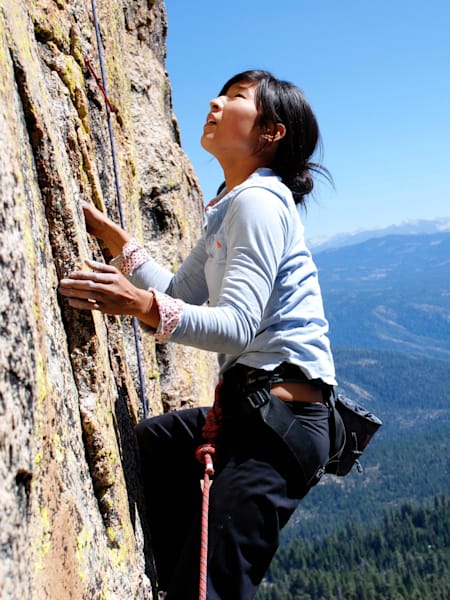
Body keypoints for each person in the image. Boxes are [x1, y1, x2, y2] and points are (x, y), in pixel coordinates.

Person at [59, 69, 337, 600]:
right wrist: (122, 246)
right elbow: (180, 291)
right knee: (150, 450)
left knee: (210, 588)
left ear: (271, 132)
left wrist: (142, 306)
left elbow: (235, 327)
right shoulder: (230, 208)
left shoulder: (258, 204)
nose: (214, 101)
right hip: (257, 414)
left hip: (276, 427)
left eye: (235, 98)